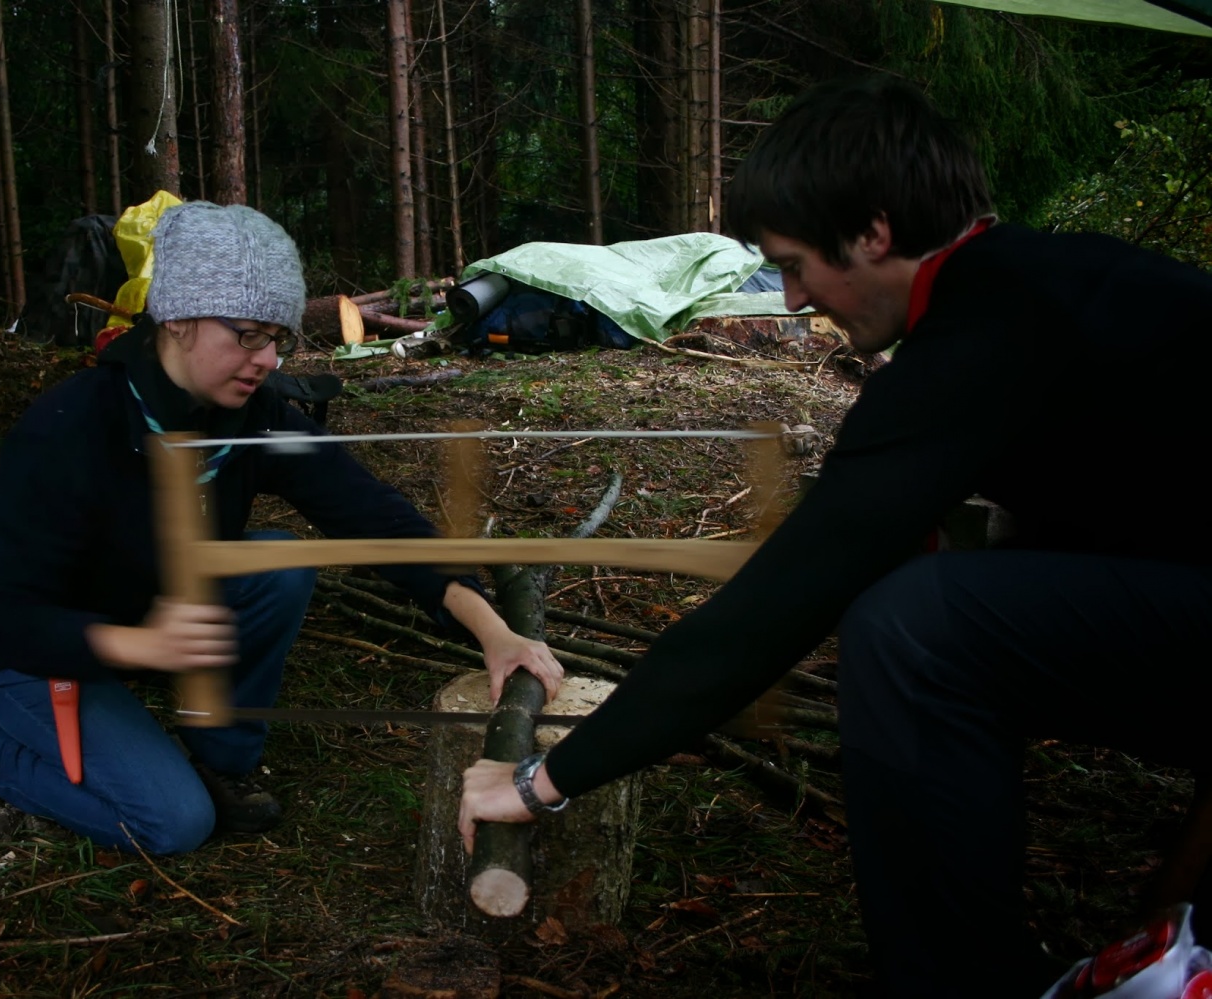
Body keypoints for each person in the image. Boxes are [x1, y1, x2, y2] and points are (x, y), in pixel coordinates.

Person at [456, 76, 1212, 997]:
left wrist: (543, 779)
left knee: (918, 628)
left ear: (873, 233)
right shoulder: (1052, 282)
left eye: (795, 264)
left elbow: (775, 609)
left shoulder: (980, 332)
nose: (797, 298)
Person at [0, 201, 563, 855]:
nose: (266, 357)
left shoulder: (252, 416)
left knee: (279, 563)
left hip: (147, 611)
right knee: (172, 822)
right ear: (178, 318)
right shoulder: (71, 427)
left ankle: (219, 754)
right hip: (32, 646)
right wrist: (138, 646)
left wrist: (493, 629)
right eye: (248, 334)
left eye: (278, 337)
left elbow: (371, 515)